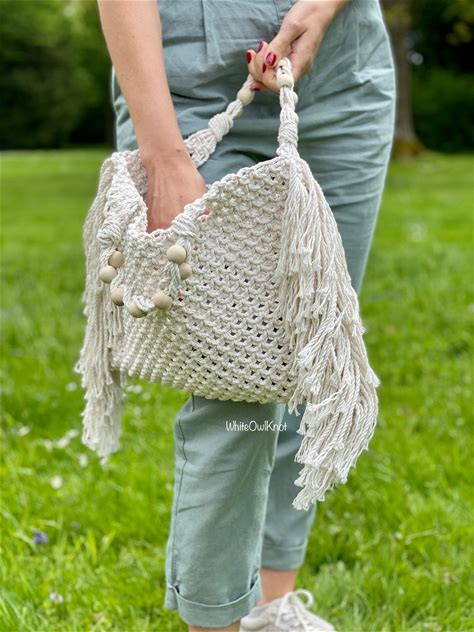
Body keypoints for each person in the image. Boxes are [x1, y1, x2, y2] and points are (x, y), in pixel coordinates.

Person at [97, 1, 396, 630]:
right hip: (185, 88)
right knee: (236, 386)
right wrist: (164, 157)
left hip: (344, 82)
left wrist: (322, 9)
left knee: (300, 362)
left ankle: (269, 606)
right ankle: (216, 620)